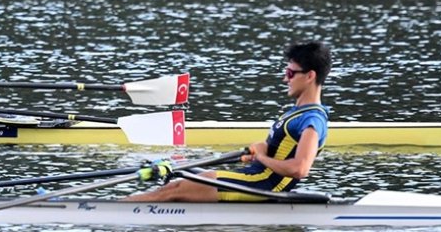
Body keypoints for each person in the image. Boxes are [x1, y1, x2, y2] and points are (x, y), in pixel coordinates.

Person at [126, 41, 331, 202]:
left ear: (310, 76)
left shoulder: (312, 119)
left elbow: (300, 169)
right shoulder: (298, 112)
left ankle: (106, 212)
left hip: (263, 185)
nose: (285, 79)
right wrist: (262, 148)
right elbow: (281, 150)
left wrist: (262, 157)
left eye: (290, 73)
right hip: (254, 177)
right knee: (176, 184)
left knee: (173, 190)